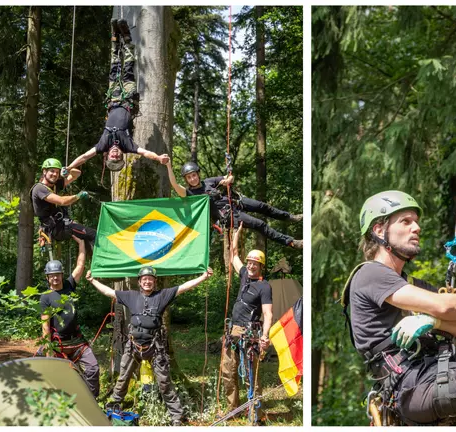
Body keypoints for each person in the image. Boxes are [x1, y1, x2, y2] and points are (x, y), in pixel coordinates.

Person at [342, 190, 456, 425]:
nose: (416, 228)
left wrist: (435, 322)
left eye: (416, 222)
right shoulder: (371, 274)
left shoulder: (412, 285)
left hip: (426, 380)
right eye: (406, 222)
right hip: (414, 381)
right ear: (379, 230)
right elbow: (444, 306)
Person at [86, 265, 214, 426]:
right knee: (123, 379)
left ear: (155, 282)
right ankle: (112, 410)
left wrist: (203, 277)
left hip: (156, 347)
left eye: (150, 279)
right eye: (144, 279)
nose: (147, 282)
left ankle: (177, 417)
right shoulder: (130, 296)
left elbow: (184, 287)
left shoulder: (162, 295)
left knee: (164, 382)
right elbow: (108, 292)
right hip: (133, 346)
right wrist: (92, 280)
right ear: (139, 282)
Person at [63, 18, 169, 173]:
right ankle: (126, 39)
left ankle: (114, 40)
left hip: (113, 100)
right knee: (127, 70)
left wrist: (70, 166)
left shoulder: (102, 145)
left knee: (114, 70)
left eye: (112, 157)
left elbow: (85, 157)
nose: (115, 154)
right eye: (117, 157)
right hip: (126, 100)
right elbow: (145, 152)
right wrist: (159, 158)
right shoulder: (127, 146)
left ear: (107, 156)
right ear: (121, 155)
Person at [165, 160, 303, 249]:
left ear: (198, 174)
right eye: (189, 177)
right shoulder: (190, 194)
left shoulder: (209, 181)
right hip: (229, 215)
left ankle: (290, 217)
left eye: (194, 175)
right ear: (186, 180)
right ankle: (291, 242)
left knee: (263, 206)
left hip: (236, 201)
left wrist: (228, 180)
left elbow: (229, 177)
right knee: (260, 224)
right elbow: (174, 184)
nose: (192, 179)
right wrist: (168, 166)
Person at [220, 222, 273, 418]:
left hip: (250, 334)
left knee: (251, 375)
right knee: (228, 371)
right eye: (249, 262)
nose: (250, 266)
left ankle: (255, 412)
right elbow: (233, 255)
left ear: (261, 266)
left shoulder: (264, 287)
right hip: (233, 331)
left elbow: (268, 313)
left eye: (254, 264)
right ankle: (232, 409)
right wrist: (236, 233)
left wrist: (265, 336)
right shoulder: (243, 275)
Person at [38, 237, 100, 399]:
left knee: (93, 368)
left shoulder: (69, 285)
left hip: (78, 342)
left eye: (58, 275)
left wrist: (81, 245)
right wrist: (49, 351)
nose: (55, 278)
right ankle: (59, 402)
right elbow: (45, 325)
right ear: (47, 278)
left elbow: (80, 265)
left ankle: (91, 400)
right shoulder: (45, 297)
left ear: (62, 275)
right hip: (59, 345)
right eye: (52, 276)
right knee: (56, 376)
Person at [31, 158, 96, 248]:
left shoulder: (55, 184)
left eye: (57, 172)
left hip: (61, 224)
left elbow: (76, 174)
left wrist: (68, 169)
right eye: (52, 171)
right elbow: (62, 201)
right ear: (44, 171)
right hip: (56, 228)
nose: (55, 174)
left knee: (87, 238)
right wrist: (78, 196)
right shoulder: (39, 189)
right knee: (93, 235)